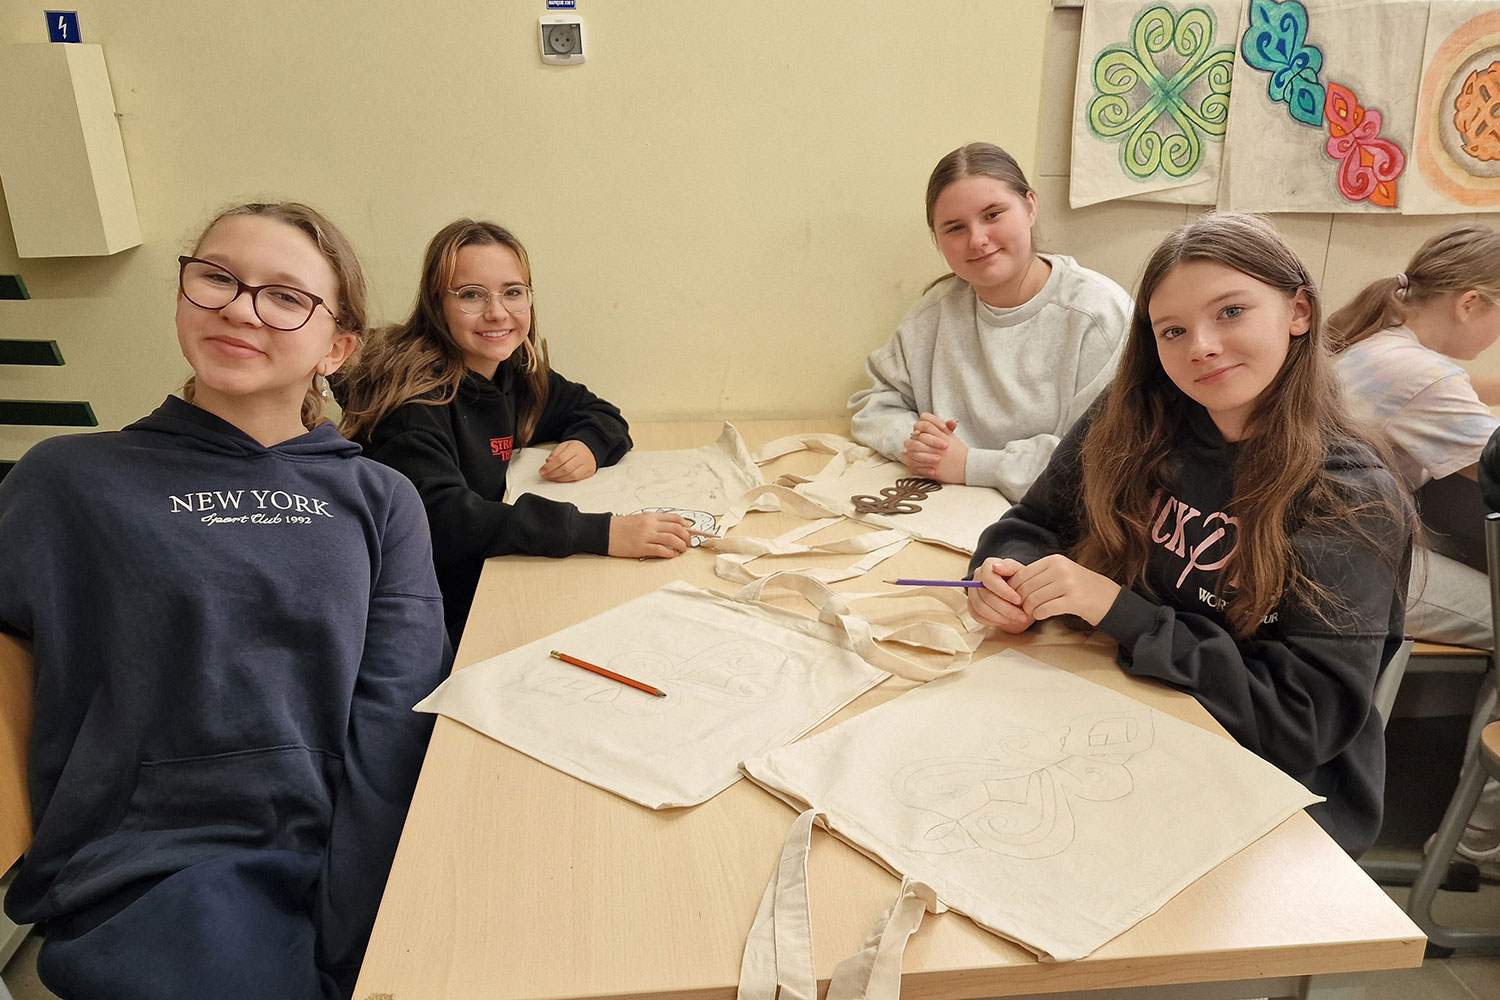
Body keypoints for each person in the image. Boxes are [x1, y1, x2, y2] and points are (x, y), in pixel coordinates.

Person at [0, 202, 449, 998]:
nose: (241, 309)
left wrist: (357, 931)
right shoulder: (67, 480)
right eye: (217, 278)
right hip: (151, 873)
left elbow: (396, 719)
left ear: (336, 348)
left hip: (354, 854)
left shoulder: (380, 498)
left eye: (286, 296)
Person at [965, 212, 1413, 857]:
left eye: (1231, 312)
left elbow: (1299, 723)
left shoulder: (1348, 494)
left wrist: (1122, 612)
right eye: (1172, 330)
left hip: (1268, 792)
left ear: (1298, 312)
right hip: (1129, 721)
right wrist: (1004, 575)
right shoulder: (1133, 419)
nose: (1200, 346)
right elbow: (1033, 524)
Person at [336, 219, 690, 643]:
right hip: (431, 613)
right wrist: (602, 533)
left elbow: (600, 413)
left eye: (512, 292)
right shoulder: (414, 403)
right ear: (436, 304)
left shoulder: (513, 374)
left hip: (488, 577)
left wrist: (588, 444)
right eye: (471, 295)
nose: (497, 312)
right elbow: (446, 521)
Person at [847, 142, 1131, 500]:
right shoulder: (936, 309)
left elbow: (1101, 460)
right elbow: (874, 403)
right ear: (937, 238)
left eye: (993, 215)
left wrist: (972, 464)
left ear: (1030, 206)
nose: (978, 240)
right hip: (943, 507)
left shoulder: (1100, 315)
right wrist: (916, 445)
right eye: (955, 228)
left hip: (1053, 520)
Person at [1328, 223, 1500, 650]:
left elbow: (1446, 388)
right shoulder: (1424, 375)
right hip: (1340, 562)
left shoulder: (1379, 340)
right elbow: (1495, 463)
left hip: (1328, 537)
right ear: (1469, 304)